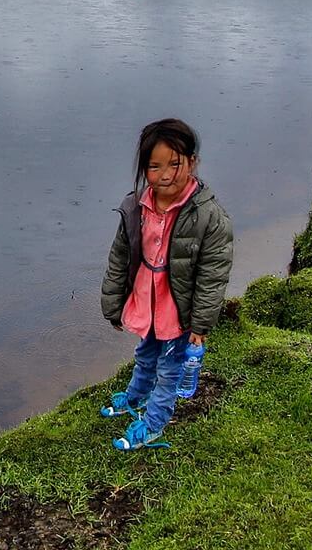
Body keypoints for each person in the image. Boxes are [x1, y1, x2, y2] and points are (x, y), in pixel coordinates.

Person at [98, 117, 233, 450]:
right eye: (155, 166)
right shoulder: (136, 207)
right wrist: (114, 304)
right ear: (144, 169)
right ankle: (137, 396)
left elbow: (213, 273)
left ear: (193, 161)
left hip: (179, 308)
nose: (166, 174)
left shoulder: (208, 215)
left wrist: (200, 324)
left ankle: (155, 422)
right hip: (148, 299)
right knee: (145, 352)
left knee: (171, 368)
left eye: (175, 163)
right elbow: (120, 257)